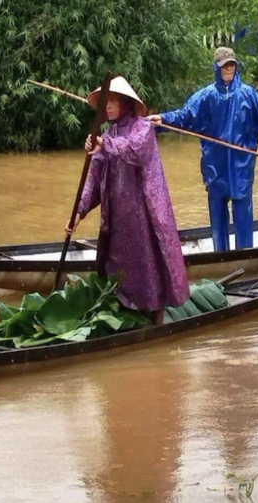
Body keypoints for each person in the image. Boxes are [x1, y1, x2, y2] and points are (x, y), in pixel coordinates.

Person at [64, 76, 190, 325]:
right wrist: (78, 213)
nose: (108, 106)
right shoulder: (107, 133)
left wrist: (103, 144)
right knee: (118, 271)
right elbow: (94, 179)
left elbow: (133, 150)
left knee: (149, 268)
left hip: (143, 216)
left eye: (113, 101)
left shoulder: (143, 128)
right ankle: (127, 319)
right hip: (118, 219)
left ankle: (157, 322)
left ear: (125, 103)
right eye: (106, 102)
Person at [147, 47, 258, 252]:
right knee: (217, 217)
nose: (229, 69)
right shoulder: (206, 96)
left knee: (243, 214)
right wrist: (162, 120)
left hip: (241, 167)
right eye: (225, 65)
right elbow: (184, 116)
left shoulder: (248, 95)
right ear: (217, 68)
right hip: (214, 167)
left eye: (231, 64)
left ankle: (245, 255)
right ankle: (220, 256)